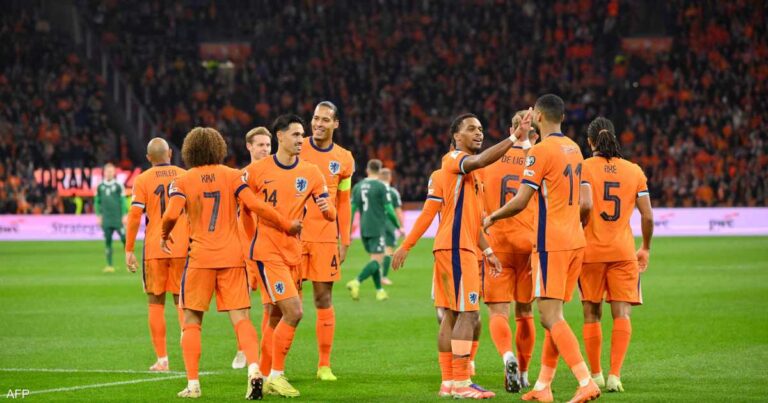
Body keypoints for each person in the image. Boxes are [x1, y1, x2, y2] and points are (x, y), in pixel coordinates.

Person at [161, 127, 301, 399]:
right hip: (233, 258)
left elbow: (171, 214)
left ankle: (193, 385)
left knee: (191, 321)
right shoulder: (233, 175)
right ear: (219, 148)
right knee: (241, 319)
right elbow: (256, 206)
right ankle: (254, 369)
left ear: (190, 151)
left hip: (200, 258)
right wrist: (286, 224)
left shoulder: (183, 180)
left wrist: (164, 234)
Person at [398, 111, 531, 398]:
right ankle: (461, 382)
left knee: (451, 314)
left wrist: (488, 250)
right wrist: (514, 138)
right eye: (471, 129)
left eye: (481, 128)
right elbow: (480, 160)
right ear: (456, 136)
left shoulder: (472, 176)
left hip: (458, 247)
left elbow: (474, 221)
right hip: (457, 249)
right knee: (469, 314)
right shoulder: (454, 159)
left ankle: (448, 382)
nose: (479, 133)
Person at [484, 94, 601, 402]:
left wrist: (492, 217)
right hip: (575, 241)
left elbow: (521, 200)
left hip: (551, 244)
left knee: (550, 316)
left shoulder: (540, 151)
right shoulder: (574, 148)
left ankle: (585, 380)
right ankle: (542, 385)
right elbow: (587, 203)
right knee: (553, 316)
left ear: (537, 116)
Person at [245, 114, 336, 397]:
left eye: (301, 134)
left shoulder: (311, 173)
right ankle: (277, 375)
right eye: (295, 134)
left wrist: (328, 210)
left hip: (293, 253)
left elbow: (330, 211)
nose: (301, 139)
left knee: (275, 316)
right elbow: (244, 206)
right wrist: (248, 244)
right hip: (268, 252)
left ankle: (261, 377)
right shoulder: (257, 170)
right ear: (280, 136)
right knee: (294, 312)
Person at [578, 117, 654, 393]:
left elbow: (583, 205)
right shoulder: (634, 171)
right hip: (623, 252)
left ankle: (595, 375)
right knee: (621, 313)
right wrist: (645, 247)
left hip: (590, 251)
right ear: (614, 137)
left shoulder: (583, 167)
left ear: (590, 142)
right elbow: (647, 215)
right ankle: (615, 376)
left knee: (591, 312)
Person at [473, 110, 539, 392]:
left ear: (511, 130)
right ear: (535, 134)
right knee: (525, 311)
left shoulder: (489, 160)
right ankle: (524, 373)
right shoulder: (538, 159)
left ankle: (507, 356)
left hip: (496, 244)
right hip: (528, 243)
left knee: (498, 311)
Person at [299, 101, 355, 381]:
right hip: (294, 236)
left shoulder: (344, 158)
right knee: (284, 303)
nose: (318, 124)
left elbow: (343, 202)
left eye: (325, 120)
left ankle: (324, 365)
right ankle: (273, 367)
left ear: (335, 124)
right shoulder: (297, 147)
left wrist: (345, 240)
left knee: (323, 298)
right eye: (315, 118)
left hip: (324, 238)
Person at [124, 138, 189, 372]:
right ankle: (189, 357)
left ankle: (162, 360)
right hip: (182, 247)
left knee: (155, 303)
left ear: (148, 158)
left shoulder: (142, 179)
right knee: (182, 302)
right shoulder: (185, 175)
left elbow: (134, 216)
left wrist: (129, 249)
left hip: (154, 249)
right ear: (170, 153)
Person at [232, 127, 273, 370]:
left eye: (268, 145)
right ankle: (243, 348)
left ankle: (265, 353)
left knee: (270, 303)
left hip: (269, 246)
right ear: (249, 146)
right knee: (243, 301)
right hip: (245, 246)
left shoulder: (278, 173)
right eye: (260, 145)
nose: (265, 149)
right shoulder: (240, 177)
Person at [347, 159, 400, 301]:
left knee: (375, 259)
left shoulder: (358, 187)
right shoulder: (381, 186)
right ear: (380, 170)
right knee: (378, 260)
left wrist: (348, 231)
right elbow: (389, 209)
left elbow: (352, 210)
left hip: (364, 229)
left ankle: (379, 291)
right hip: (377, 228)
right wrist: (397, 225)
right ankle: (356, 281)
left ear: (367, 170)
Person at [95, 162, 127, 273]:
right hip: (106, 219)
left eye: (111, 171)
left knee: (125, 239)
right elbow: (97, 202)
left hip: (118, 218)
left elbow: (123, 201)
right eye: (107, 171)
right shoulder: (100, 186)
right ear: (104, 172)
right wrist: (99, 216)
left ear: (114, 173)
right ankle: (109, 265)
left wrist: (124, 215)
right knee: (108, 241)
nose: (109, 173)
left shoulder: (118, 185)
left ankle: (130, 263)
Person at [378, 167, 405, 285]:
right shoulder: (393, 192)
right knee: (388, 250)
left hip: (375, 224)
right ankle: (383, 277)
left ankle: (377, 273)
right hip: (388, 225)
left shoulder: (375, 190)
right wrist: (401, 227)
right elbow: (397, 211)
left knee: (377, 251)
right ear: (389, 178)